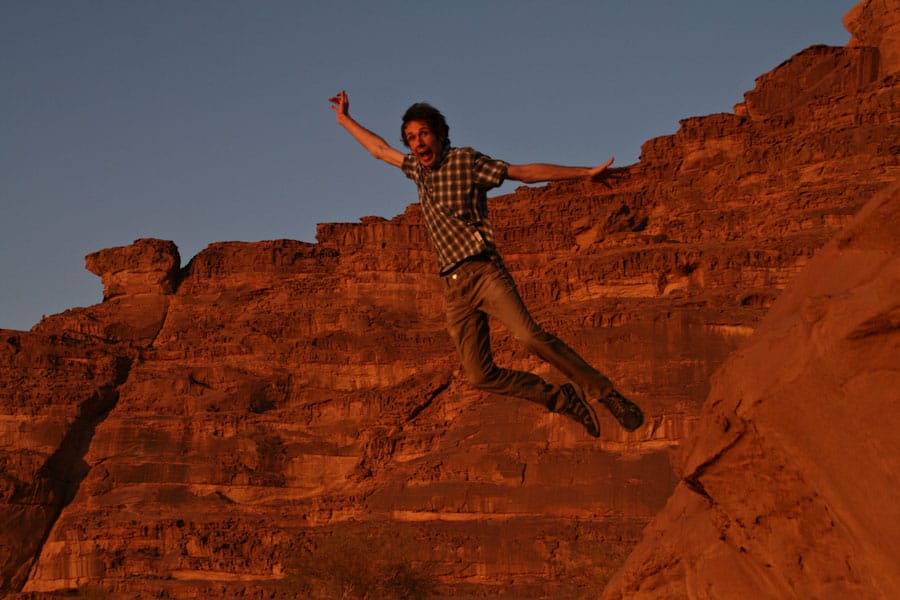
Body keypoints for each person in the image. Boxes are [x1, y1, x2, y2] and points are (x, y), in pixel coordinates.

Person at [328, 90, 643, 437]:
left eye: (424, 134)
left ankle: (606, 394)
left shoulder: (466, 162)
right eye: (412, 137)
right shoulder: (417, 170)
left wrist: (583, 173)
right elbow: (378, 149)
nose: (418, 142)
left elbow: (522, 173)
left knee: (530, 338)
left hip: (483, 272)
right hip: (454, 287)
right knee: (479, 375)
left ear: (440, 135)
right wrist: (344, 119)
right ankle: (561, 399)